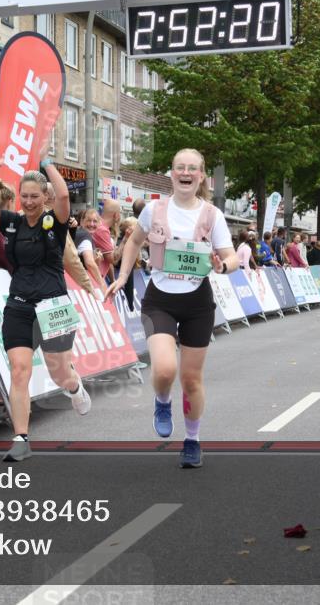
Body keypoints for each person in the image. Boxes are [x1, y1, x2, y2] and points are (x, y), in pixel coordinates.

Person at [104, 149, 239, 469]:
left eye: (192, 169)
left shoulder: (212, 215)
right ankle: (162, 401)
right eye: (180, 168)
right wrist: (123, 276)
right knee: (164, 369)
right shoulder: (154, 210)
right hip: (159, 300)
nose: (186, 173)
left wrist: (221, 267)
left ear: (201, 176)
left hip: (197, 302)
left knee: (192, 379)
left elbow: (231, 256)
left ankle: (192, 440)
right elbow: (135, 242)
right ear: (172, 173)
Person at [0, 142, 91, 463]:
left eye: (34, 196)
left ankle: (74, 387)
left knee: (58, 373)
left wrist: (46, 161)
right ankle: (21, 438)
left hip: (54, 307)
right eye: (23, 196)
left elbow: (66, 196)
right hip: (19, 306)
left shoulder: (54, 221)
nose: (28, 202)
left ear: (45, 197)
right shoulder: (10, 221)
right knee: (20, 371)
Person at [74, 208, 109, 291]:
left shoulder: (80, 233)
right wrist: (102, 285)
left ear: (100, 223)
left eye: (95, 221)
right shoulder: (85, 235)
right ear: (82, 222)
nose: (91, 224)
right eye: (88, 220)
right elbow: (89, 263)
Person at [95, 199, 121, 282]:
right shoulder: (102, 229)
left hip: (97, 277)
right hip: (96, 279)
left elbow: (108, 260)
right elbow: (113, 260)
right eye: (120, 213)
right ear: (116, 215)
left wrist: (113, 280)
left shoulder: (102, 227)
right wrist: (125, 240)